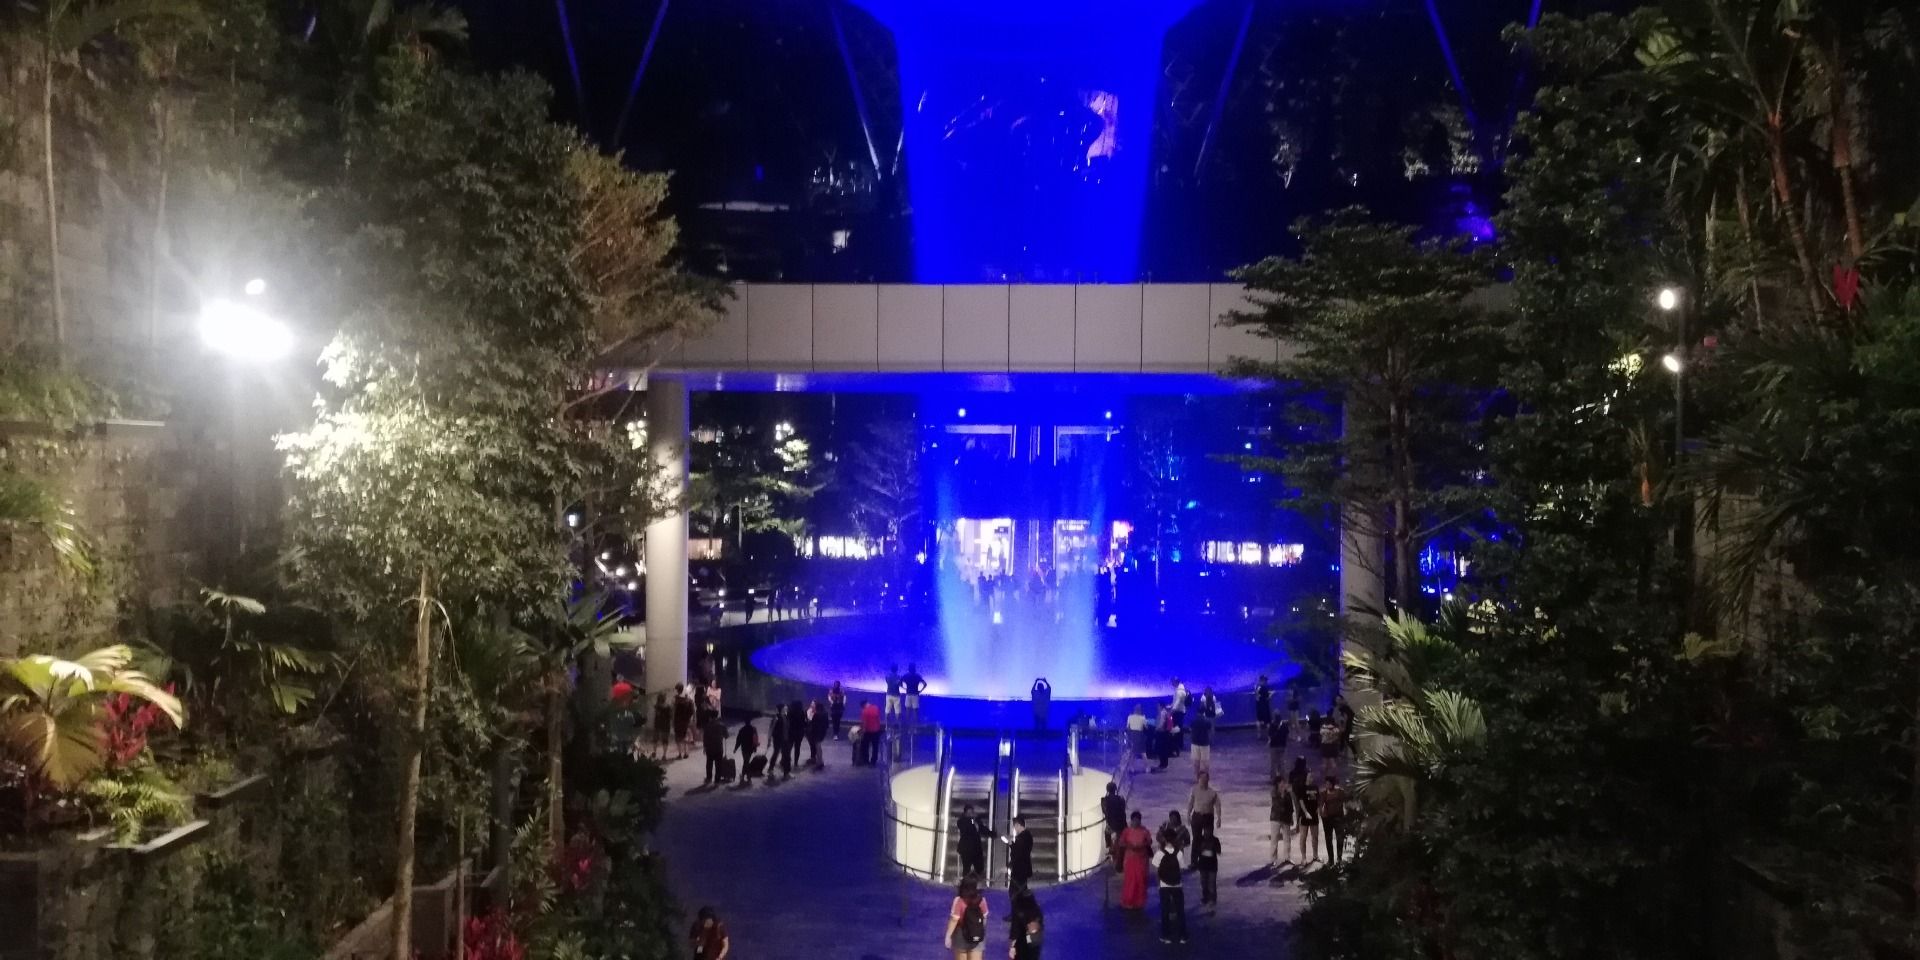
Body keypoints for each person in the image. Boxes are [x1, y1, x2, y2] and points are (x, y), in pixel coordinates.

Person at [1113, 811, 1153, 910]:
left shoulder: (1145, 831)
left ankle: (1139, 902)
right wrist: (1130, 846)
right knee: (1130, 881)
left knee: (1140, 880)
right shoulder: (1127, 831)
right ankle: (1128, 901)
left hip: (1141, 860)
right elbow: (1121, 842)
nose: (1135, 822)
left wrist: (1141, 846)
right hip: (1130, 860)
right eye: (1133, 820)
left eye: (1137, 820)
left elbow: (1149, 842)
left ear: (1140, 821)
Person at [946, 876, 990, 960]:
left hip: (961, 935)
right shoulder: (982, 900)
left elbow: (954, 919)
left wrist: (948, 936)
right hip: (977, 935)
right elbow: (985, 917)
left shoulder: (959, 900)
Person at [1156, 842, 1188, 944]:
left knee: (1165, 911)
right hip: (1177, 885)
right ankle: (1183, 936)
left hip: (1164, 885)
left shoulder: (1160, 853)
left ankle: (1166, 936)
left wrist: (1159, 884)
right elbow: (1182, 869)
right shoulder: (1179, 853)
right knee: (1180, 911)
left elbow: (1157, 870)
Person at [1268, 776, 1301, 868]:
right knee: (1275, 839)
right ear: (1278, 783)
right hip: (1276, 818)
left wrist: (1291, 819)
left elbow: (1291, 807)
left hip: (1285, 819)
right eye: (1281, 782)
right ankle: (1273, 859)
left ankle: (1287, 857)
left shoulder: (1288, 793)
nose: (1283, 784)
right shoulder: (1274, 792)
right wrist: (1283, 794)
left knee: (1287, 839)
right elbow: (1277, 805)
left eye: (1284, 782)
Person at [1007, 889, 1044, 960]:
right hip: (1033, 939)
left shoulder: (1018, 910)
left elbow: (1015, 929)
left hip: (1021, 941)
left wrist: (1012, 946)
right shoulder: (1037, 910)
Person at [1321, 776, 1350, 862]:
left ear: (1333, 784)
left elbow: (1347, 800)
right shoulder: (1323, 793)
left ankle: (1339, 858)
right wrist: (1322, 815)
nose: (1327, 785)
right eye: (1326, 783)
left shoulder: (1340, 792)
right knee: (1328, 839)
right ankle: (1331, 859)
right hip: (1327, 819)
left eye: (1329, 783)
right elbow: (1321, 805)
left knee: (1339, 838)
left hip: (1338, 818)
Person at [1193, 823, 1221, 908]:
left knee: (1212, 883)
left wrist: (1213, 848)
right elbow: (1196, 851)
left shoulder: (1215, 840)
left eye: (1209, 830)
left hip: (1212, 865)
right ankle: (1205, 897)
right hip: (1203, 864)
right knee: (1204, 883)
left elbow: (1219, 851)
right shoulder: (1200, 839)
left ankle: (1212, 899)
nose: (1207, 832)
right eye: (1206, 830)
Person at [1004, 816, 1034, 896]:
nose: (1014, 829)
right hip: (1024, 867)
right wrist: (1011, 844)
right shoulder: (1028, 835)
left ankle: (1020, 906)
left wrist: (1009, 865)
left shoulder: (1021, 837)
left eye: (1014, 826)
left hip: (1019, 869)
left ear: (1018, 825)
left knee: (1015, 892)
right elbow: (1021, 851)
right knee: (1022, 889)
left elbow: (1018, 853)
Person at [1187, 771, 1222, 838]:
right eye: (1201, 778)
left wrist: (1219, 818)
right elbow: (1190, 804)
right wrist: (1188, 815)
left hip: (1208, 817)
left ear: (1208, 779)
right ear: (1198, 779)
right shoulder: (1194, 790)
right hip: (1197, 816)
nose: (1203, 780)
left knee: (1208, 838)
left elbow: (1218, 806)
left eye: (1205, 778)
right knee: (1196, 839)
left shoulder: (1212, 792)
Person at [1297, 770, 1322, 864]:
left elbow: (1319, 799)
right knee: (1303, 837)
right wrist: (1305, 812)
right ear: (1306, 777)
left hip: (1314, 815)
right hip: (1305, 815)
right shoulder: (1302, 788)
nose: (1312, 778)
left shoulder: (1315, 787)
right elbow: (1301, 801)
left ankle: (1315, 856)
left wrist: (1318, 809)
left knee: (1315, 837)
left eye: (1312, 776)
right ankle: (1303, 858)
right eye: (1310, 776)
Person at [957, 803, 987, 879]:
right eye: (969, 813)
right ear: (965, 813)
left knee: (980, 868)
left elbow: (982, 829)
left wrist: (994, 834)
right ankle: (965, 886)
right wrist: (972, 820)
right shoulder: (962, 821)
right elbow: (967, 829)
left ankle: (977, 885)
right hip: (967, 850)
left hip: (976, 849)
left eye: (972, 812)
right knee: (966, 869)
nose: (971, 814)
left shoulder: (975, 821)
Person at [701, 714, 728, 785]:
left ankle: (709, 778)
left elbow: (705, 738)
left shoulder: (707, 726)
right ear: (717, 717)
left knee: (709, 764)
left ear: (710, 717)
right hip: (719, 748)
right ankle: (717, 780)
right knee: (718, 764)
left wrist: (704, 747)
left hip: (709, 748)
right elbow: (727, 736)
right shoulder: (722, 725)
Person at [1100, 782, 1127, 849]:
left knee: (1107, 832)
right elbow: (1123, 809)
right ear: (1115, 789)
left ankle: (1108, 845)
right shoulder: (1121, 799)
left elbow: (1104, 811)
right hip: (1121, 824)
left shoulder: (1104, 800)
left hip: (1111, 824)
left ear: (1107, 790)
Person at [732, 717, 759, 785]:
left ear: (745, 722)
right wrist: (755, 748)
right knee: (746, 761)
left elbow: (738, 740)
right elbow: (755, 739)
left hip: (744, 748)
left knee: (746, 762)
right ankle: (745, 776)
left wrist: (735, 748)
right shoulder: (753, 729)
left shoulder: (742, 730)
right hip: (751, 748)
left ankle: (747, 776)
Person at [1266, 707, 1291, 780]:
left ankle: (1273, 778)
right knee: (1282, 762)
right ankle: (1283, 777)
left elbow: (1270, 735)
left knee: (1273, 763)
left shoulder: (1272, 725)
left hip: (1273, 746)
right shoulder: (1284, 725)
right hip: (1282, 746)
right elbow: (1287, 735)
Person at [769, 704, 792, 780]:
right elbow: (771, 729)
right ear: (781, 709)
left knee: (786, 756)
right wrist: (769, 740)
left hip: (785, 739)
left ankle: (786, 773)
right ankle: (771, 770)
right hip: (778, 739)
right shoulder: (776, 718)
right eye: (785, 707)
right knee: (776, 754)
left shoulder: (785, 716)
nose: (787, 708)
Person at [1189, 709, 1215, 776]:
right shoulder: (1207, 722)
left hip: (1195, 742)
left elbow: (1190, 730)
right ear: (1204, 713)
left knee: (1196, 761)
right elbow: (1211, 732)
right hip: (1205, 743)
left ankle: (1197, 776)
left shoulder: (1193, 721)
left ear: (1197, 713)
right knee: (1205, 761)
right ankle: (1205, 777)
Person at [673, 683, 695, 760]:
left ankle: (680, 754)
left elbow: (674, 711)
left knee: (678, 738)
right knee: (685, 736)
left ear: (677, 690)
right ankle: (686, 753)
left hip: (678, 721)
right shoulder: (688, 699)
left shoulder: (676, 699)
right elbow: (692, 711)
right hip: (685, 721)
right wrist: (689, 718)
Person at [1126, 704, 1150, 772]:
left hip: (1132, 735)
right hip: (1140, 735)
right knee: (1143, 752)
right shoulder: (1143, 717)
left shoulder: (1129, 717)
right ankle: (1147, 767)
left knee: (1132, 753)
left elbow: (1127, 727)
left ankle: (1131, 767)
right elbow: (1146, 727)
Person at [1153, 704, 1177, 773]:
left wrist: (1157, 728)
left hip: (1162, 732)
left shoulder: (1162, 713)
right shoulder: (1165, 712)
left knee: (1162, 748)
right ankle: (1163, 763)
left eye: (1158, 706)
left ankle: (1163, 764)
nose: (1157, 707)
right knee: (1164, 748)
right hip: (1165, 732)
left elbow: (1162, 722)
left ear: (1160, 706)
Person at [806, 698, 829, 768]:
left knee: (817, 747)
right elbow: (827, 724)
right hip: (822, 732)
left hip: (816, 733)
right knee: (818, 746)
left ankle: (820, 762)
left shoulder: (816, 715)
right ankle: (820, 760)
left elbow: (813, 724)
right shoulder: (825, 713)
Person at [859, 698, 883, 765]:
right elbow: (878, 719)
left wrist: (862, 732)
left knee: (865, 746)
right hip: (876, 730)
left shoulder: (864, 711)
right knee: (875, 747)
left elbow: (864, 723)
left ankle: (866, 761)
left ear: (863, 705)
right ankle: (873, 762)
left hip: (867, 731)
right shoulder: (876, 708)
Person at [1319, 713, 1343, 779]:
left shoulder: (1323, 728)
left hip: (1325, 746)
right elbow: (1339, 734)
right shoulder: (1335, 729)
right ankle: (1335, 777)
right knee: (1333, 762)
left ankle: (1325, 776)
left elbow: (1321, 735)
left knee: (1325, 763)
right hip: (1333, 746)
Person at [650, 692, 673, 761]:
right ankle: (664, 755)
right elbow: (671, 716)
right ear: (664, 699)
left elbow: (655, 714)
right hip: (666, 725)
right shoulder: (668, 706)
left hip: (657, 724)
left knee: (655, 740)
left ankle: (654, 752)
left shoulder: (657, 706)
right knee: (665, 741)